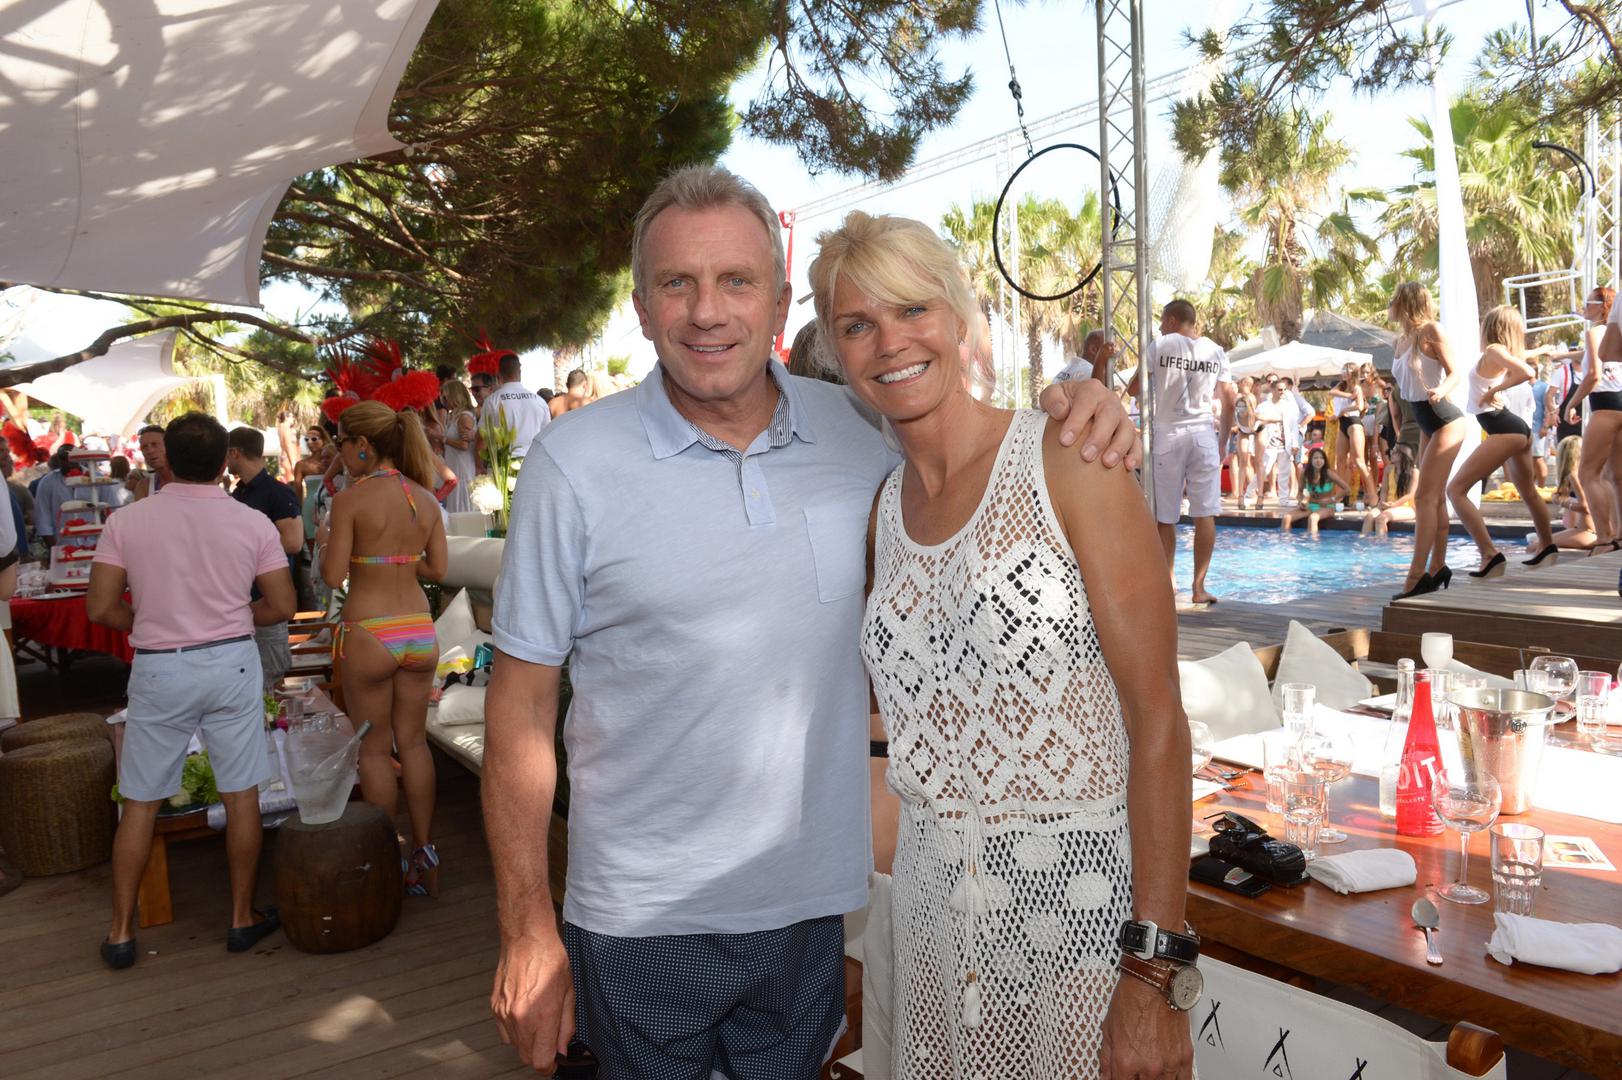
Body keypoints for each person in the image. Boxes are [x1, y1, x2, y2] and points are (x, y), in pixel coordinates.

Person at [482, 164, 1139, 1080]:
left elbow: (970, 444)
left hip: (813, 912)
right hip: (640, 920)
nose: (708, 311)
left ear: (781, 298)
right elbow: (517, 708)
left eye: (736, 281)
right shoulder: (571, 465)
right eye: (678, 282)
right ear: (640, 306)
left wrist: (1078, 408)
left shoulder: (860, 432)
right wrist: (526, 928)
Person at [811, 209, 1195, 1079]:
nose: (890, 342)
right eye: (857, 325)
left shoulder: (1069, 461)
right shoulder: (883, 517)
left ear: (959, 317)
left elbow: (1161, 725)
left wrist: (1154, 970)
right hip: (937, 938)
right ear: (837, 354)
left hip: (1087, 929)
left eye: (913, 310)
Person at [86, 413, 296, 969]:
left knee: (140, 800)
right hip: (231, 661)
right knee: (242, 792)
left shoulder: (127, 521)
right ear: (224, 460)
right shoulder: (253, 523)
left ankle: (122, 930)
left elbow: (101, 607)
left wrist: (152, 617)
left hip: (160, 666)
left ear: (168, 459)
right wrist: (231, 616)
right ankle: (240, 917)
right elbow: (280, 605)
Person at [319, 401, 448, 895]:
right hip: (417, 628)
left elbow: (333, 578)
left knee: (374, 752)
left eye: (342, 445)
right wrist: (399, 560)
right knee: (413, 744)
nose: (341, 455)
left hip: (369, 630)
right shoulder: (425, 497)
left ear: (363, 445)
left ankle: (389, 862)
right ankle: (427, 855)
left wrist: (330, 535)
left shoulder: (351, 500)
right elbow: (436, 569)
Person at [1126, 299, 1236, 605]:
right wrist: (1223, 440)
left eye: (1163, 321)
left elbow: (1134, 389)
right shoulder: (1216, 351)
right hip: (1203, 436)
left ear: (1173, 321)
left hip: (1168, 435)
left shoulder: (1161, 345)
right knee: (1205, 514)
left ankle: (1169, 583)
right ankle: (1199, 588)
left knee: (1166, 517)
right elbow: (1228, 401)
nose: (1161, 327)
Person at [1443, 307, 1559, 574]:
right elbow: (1523, 360)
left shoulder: (1493, 350)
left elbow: (1527, 373)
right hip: (1516, 429)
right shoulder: (1501, 352)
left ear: (1491, 325)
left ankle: (1489, 554)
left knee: (1455, 490)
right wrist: (1539, 351)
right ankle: (1548, 545)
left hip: (1503, 427)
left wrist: (1493, 390)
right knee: (1528, 492)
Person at [1389, 282, 1467, 599]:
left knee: (1422, 497)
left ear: (1406, 303)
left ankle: (1415, 577)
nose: (1390, 305)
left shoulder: (1431, 330)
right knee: (1432, 499)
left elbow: (1455, 373)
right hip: (1424, 422)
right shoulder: (1401, 340)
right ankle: (1438, 567)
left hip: (1446, 419)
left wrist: (1442, 390)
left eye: (1394, 300)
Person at [227, 426, 307, 689]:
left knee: (268, 685)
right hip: (242, 601)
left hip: (268, 601)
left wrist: (243, 552)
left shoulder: (277, 492)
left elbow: (293, 542)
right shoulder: (239, 493)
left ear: (235, 453)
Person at [1564, 287, 1622, 553]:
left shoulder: (1594, 332)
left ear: (1601, 306)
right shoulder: (1614, 331)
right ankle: (1618, 535)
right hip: (1619, 402)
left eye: (1587, 302)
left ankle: (1605, 537)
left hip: (1605, 405)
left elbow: (1593, 376)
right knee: (1616, 475)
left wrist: (1571, 403)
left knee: (1588, 473)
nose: (1583, 307)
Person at [479, 354, 550, 460]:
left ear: (499, 375)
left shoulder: (492, 401)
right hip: (532, 462)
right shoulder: (539, 401)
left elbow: (484, 437)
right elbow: (546, 435)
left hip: (502, 466)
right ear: (520, 373)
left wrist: (480, 465)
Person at [1328, 363, 1377, 510]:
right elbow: (1332, 392)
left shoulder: (1357, 388)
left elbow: (1361, 406)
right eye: (1343, 370)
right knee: (1340, 462)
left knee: (1358, 461)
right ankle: (1340, 496)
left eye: (1347, 371)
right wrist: (1349, 397)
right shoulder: (1341, 386)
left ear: (1353, 373)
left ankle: (1373, 495)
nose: (1344, 373)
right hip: (1342, 423)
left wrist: (1343, 409)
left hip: (1353, 423)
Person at [1280, 447, 1349, 534]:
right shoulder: (1305, 473)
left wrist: (1332, 499)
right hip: (1310, 505)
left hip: (1326, 507)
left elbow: (1347, 489)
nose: (1318, 460)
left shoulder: (1329, 473)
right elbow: (1300, 492)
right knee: (1287, 517)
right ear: (1310, 460)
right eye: (1315, 458)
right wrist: (1301, 502)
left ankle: (1313, 545)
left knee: (1313, 518)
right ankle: (1285, 543)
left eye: (1321, 458)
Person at [1361, 444, 1419, 537]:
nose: (1390, 454)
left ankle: (1382, 544)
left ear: (1402, 455)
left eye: (1394, 452)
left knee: (1381, 519)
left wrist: (1394, 505)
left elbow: (1410, 494)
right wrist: (1382, 502)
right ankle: (1364, 543)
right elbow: (1384, 490)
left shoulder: (1414, 472)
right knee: (1369, 517)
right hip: (1387, 505)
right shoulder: (1388, 469)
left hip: (1407, 507)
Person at [1550, 436, 1597, 549]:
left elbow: (1585, 507)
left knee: (1534, 546)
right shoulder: (1587, 473)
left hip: (1587, 532)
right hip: (1588, 531)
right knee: (1539, 543)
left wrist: (1559, 501)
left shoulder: (1574, 475)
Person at [441, 378, 479, 514]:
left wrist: (443, 439)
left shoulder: (464, 417)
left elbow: (464, 444)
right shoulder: (453, 416)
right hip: (455, 466)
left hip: (463, 468)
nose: (444, 399)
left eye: (446, 396)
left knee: (463, 507)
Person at [1252, 378, 1285, 507]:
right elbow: (1256, 422)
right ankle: (1253, 493)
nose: (1282, 392)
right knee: (1264, 467)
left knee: (1283, 469)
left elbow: (1285, 420)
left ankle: (1283, 496)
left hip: (1282, 440)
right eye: (1279, 389)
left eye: (1283, 390)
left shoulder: (1287, 404)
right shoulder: (1262, 406)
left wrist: (1267, 419)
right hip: (1267, 439)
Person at [1229, 375, 1258, 510]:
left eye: (1240, 382)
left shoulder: (1250, 397)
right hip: (1242, 431)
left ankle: (1253, 492)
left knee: (1248, 464)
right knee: (1243, 463)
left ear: (1244, 383)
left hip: (1251, 431)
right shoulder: (1241, 397)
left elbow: (1250, 417)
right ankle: (1241, 493)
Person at [1054, 328, 1120, 386]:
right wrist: (1100, 362)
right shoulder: (1088, 373)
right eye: (1109, 348)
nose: (1113, 353)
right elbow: (1097, 395)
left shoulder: (1066, 370)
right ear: (1093, 349)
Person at [130, 424, 174, 501]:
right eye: (144, 447)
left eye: (154, 444)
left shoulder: (188, 480)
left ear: (168, 446)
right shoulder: (144, 486)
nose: (150, 451)